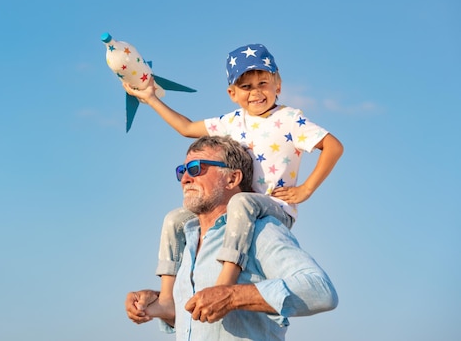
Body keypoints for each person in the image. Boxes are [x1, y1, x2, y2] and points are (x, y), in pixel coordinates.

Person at [123, 43, 343, 314]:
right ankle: (167, 297)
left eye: (263, 82)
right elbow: (186, 128)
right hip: (235, 212)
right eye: (246, 87)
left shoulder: (288, 118)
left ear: (278, 85)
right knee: (175, 218)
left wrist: (306, 189)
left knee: (241, 202)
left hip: (272, 208)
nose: (256, 92)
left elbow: (333, 146)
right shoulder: (233, 121)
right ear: (232, 93)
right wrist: (151, 98)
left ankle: (223, 285)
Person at [125, 136, 338, 340]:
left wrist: (233, 296)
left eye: (196, 169)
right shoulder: (187, 240)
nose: (185, 179)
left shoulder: (260, 230)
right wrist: (155, 304)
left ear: (233, 178)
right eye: (182, 171)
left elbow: (320, 290)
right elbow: (198, 318)